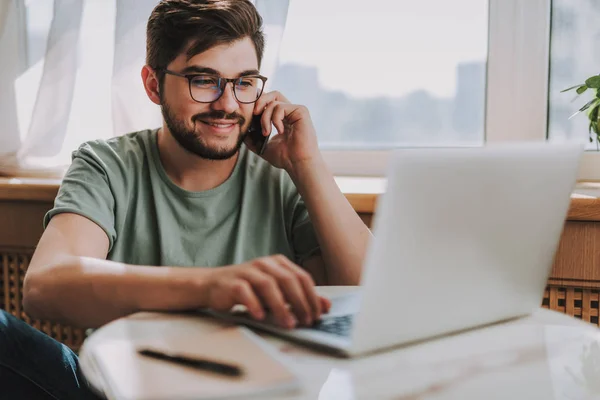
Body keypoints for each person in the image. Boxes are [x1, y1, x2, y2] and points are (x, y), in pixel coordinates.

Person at [0, 0, 372, 398]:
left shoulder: (286, 176)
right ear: (153, 84)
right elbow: (44, 287)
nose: (228, 104)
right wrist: (212, 288)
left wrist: (307, 163)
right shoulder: (107, 164)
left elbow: (372, 302)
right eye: (203, 80)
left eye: (244, 82)